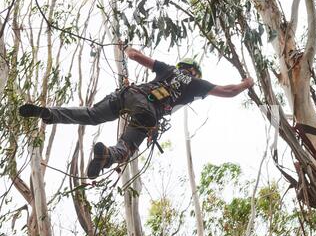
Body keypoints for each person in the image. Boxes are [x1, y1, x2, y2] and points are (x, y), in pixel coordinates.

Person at [19, 46, 254, 179]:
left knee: (91, 115)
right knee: (127, 146)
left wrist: (127, 49)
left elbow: (136, 56)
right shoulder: (196, 84)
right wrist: (247, 83)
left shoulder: (168, 68)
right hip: (148, 110)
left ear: (182, 66)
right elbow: (229, 90)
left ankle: (49, 113)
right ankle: (108, 156)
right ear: (195, 72)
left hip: (129, 94)